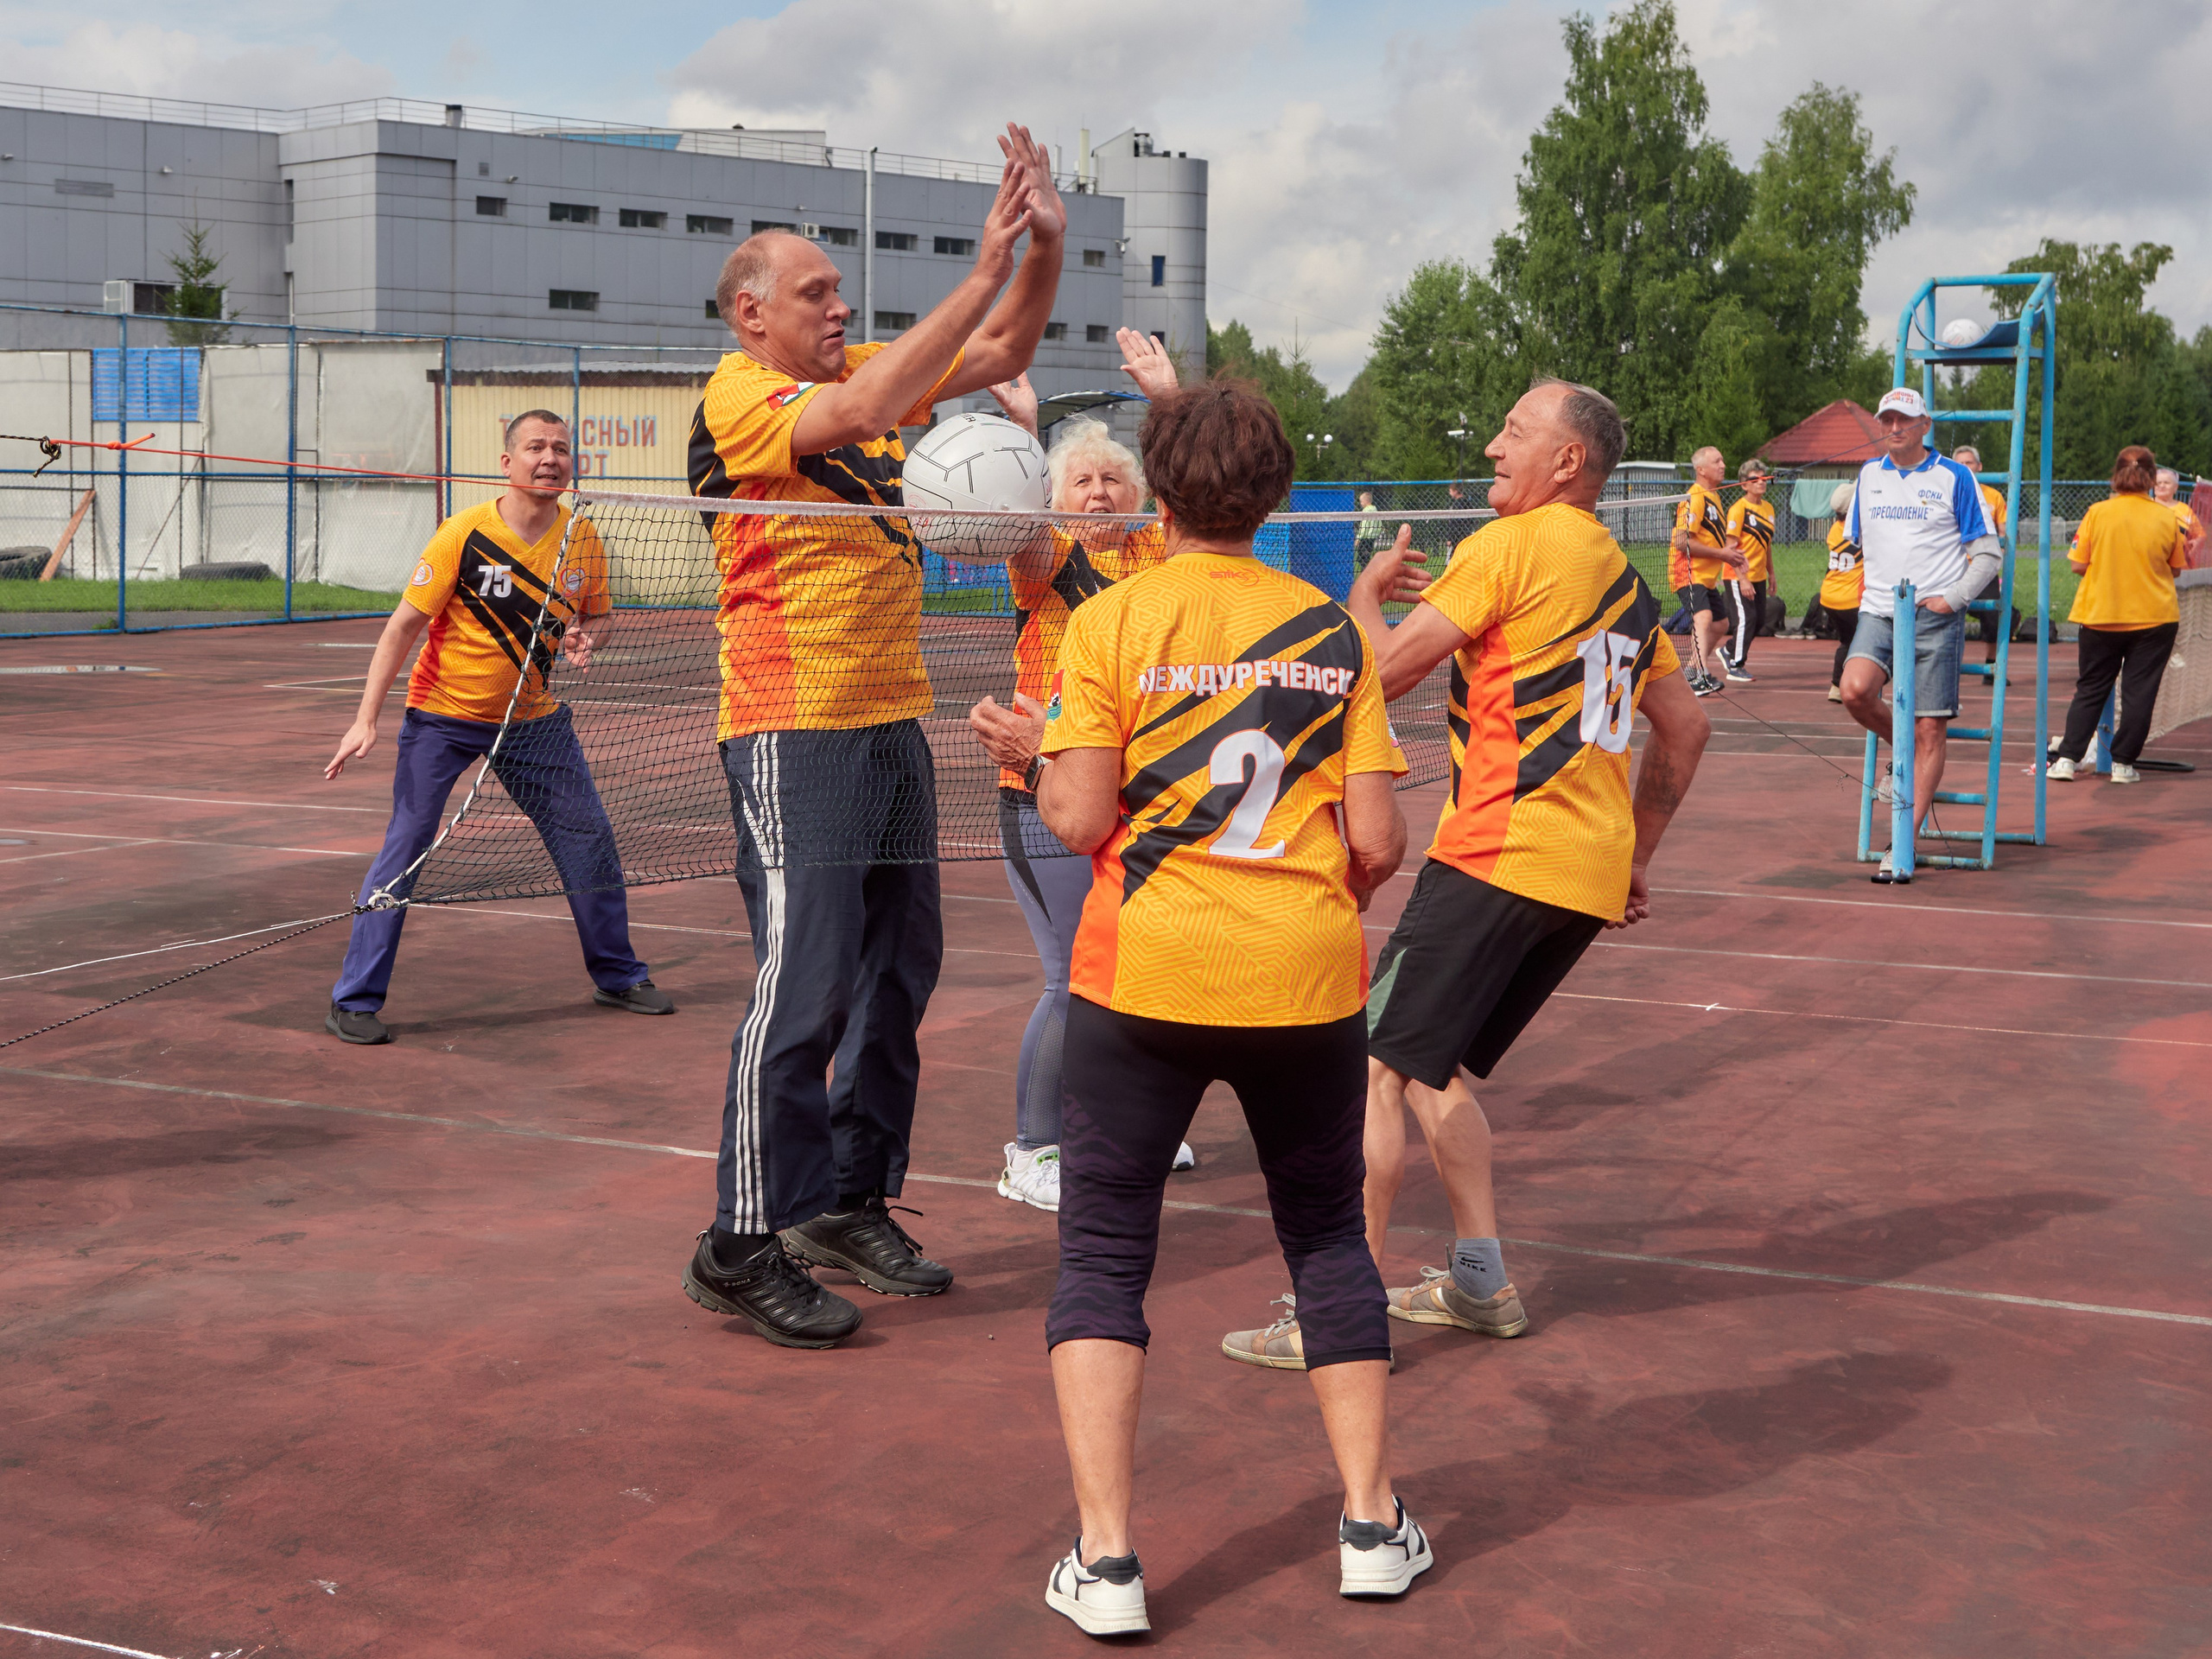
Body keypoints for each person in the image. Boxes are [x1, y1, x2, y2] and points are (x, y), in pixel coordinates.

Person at [1034, 381, 1428, 1633]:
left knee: (1103, 1252)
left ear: (1158, 487)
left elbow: (1084, 818)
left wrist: (1029, 763)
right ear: (1275, 492)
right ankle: (1371, 1526)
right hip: (1303, 980)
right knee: (1324, 1243)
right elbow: (1380, 839)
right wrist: (1307, 891)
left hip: (1141, 977)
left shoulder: (1112, 621)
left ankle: (1107, 1565)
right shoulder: (1330, 632)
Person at [1224, 378, 1711, 1368]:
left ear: (1567, 462)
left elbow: (1384, 671)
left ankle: (1336, 1313)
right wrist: (1634, 857)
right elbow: (1687, 725)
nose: (1492, 444)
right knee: (1428, 1067)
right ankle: (1481, 1282)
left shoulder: (1514, 546)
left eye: (1514, 430)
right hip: (1575, 875)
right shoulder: (1620, 576)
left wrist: (1361, 600)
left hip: (1498, 852)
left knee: (1362, 1069)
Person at [678, 124, 1065, 1350]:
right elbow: (872, 396)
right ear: (751, 313)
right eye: (816, 292)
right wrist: (981, 252)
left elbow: (999, 346)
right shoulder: (743, 399)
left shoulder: (864, 395)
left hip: (889, 716)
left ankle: (846, 1199)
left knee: (902, 972)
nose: (839, 306)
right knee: (804, 983)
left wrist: (1041, 247)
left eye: (842, 291)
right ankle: (741, 1239)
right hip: (795, 728)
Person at [321, 411, 673, 1046]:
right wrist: (364, 719)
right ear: (506, 463)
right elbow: (401, 628)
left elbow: (600, 616)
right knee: (405, 851)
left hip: (534, 724)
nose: (550, 458)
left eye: (562, 449)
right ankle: (354, 999)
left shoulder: (582, 538)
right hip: (442, 719)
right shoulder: (462, 533)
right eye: (536, 447)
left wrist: (588, 636)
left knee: (588, 839)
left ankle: (618, 975)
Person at [966, 329, 1194, 1213]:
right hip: (1043, 794)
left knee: (1143, 972)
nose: (1098, 491)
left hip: (1136, 798)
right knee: (1073, 978)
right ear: (1055, 499)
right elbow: (1018, 521)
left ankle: (1126, 1124)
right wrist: (1023, 434)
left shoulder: (1162, 557)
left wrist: (1169, 400)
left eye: (1112, 480)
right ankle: (1034, 1146)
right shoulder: (1051, 559)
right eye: (1080, 481)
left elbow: (1202, 488)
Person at [1839, 386, 2000, 883]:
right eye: (1885, 420)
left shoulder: (1955, 477)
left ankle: (1901, 845)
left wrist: (1952, 598)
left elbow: (1990, 554)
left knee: (1932, 728)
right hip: (1881, 611)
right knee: (1855, 690)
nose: (1893, 429)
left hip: (1934, 616)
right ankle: (1901, 748)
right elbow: (1855, 539)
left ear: (1924, 424)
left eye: (1903, 420)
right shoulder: (1868, 476)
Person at [2048, 445, 2191, 785]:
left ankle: (2068, 758)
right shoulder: (2167, 518)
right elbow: (2176, 570)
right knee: (2140, 692)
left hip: (2102, 614)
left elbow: (2077, 563)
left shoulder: (2097, 513)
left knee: (2091, 687)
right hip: (2154, 617)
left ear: (2116, 475)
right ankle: (2123, 764)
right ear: (2153, 478)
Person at [1671, 445, 1746, 696]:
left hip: (1707, 576)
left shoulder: (1715, 497)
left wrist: (1732, 555)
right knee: (1703, 618)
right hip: (1688, 572)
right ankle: (1699, 677)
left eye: (1723, 460)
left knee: (1721, 623)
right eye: (1717, 461)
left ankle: (1692, 669)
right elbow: (1683, 542)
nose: (1723, 465)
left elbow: (1715, 540)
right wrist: (1722, 554)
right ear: (1701, 469)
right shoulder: (1695, 497)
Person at [1952, 445, 2015, 664]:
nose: (1965, 467)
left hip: (1982, 564)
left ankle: (1991, 663)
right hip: (1955, 564)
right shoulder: (1948, 493)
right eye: (1959, 463)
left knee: (1993, 616)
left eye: (1969, 462)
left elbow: (2004, 531)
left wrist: (1998, 557)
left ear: (1979, 467)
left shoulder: (1993, 496)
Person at [1719, 458, 1777, 682]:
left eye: (1763, 478)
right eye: (1755, 479)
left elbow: (1767, 544)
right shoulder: (1738, 510)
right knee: (1747, 619)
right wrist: (1742, 579)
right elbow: (1729, 547)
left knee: (1760, 620)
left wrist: (1771, 573)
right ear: (1744, 484)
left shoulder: (1769, 509)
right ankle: (1735, 664)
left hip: (1759, 576)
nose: (1760, 482)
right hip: (1737, 575)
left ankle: (1728, 650)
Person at [1819, 480, 1864, 703]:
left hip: (1829, 594)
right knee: (1870, 644)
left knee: (1847, 642)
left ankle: (1836, 687)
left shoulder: (1835, 529)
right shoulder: (1860, 530)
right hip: (1850, 598)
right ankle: (1867, 688)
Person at [2153, 467, 2204, 566]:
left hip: (2182, 566)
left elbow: (2200, 534)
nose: (2162, 486)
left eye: (2166, 483)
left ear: (2175, 487)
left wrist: (2198, 542)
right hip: (2154, 565)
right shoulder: (2146, 506)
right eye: (2158, 483)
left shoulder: (2185, 510)